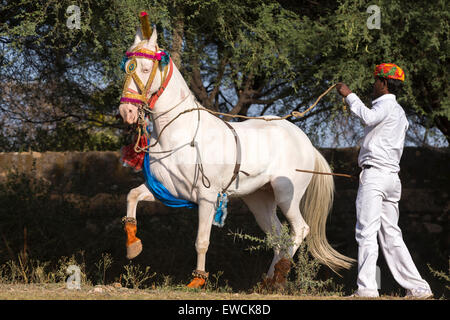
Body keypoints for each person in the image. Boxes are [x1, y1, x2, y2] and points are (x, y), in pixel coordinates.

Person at [336, 63, 433, 298]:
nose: (373, 84)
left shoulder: (385, 106)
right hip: (390, 178)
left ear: (384, 83)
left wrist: (349, 96)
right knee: (391, 234)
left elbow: (368, 118)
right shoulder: (399, 112)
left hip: (376, 177)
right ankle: (419, 289)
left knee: (366, 232)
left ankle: (367, 289)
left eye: (376, 80)